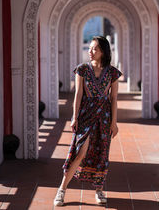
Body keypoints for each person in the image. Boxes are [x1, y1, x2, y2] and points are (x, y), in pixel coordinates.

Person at [54, 36, 122, 206]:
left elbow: (113, 99)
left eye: (94, 49)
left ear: (103, 52)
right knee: (79, 152)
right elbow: (78, 95)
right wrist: (74, 117)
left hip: (104, 117)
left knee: (101, 153)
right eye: (90, 48)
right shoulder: (82, 70)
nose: (90, 52)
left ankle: (99, 190)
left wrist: (114, 123)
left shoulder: (112, 72)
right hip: (85, 115)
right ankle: (62, 189)